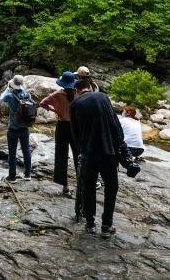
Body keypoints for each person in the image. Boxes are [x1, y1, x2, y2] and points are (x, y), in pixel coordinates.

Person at [70, 79, 125, 237]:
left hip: (88, 153)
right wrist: (120, 146)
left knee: (88, 186)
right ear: (89, 88)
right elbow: (115, 123)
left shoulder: (74, 105)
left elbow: (75, 134)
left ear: (77, 90)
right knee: (111, 187)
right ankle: (106, 225)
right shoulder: (103, 97)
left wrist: (80, 151)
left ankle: (90, 223)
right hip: (108, 151)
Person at [40, 71, 79, 196]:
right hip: (76, 127)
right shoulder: (77, 94)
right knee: (78, 155)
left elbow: (42, 103)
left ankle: (65, 186)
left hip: (62, 126)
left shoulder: (57, 94)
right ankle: (81, 182)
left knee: (61, 155)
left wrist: (53, 109)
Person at [0, 74, 35, 182]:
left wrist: (7, 88)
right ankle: (28, 174)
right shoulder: (27, 94)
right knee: (26, 151)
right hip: (25, 127)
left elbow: (1, 98)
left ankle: (12, 177)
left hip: (13, 128)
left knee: (12, 153)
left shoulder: (10, 95)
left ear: (13, 84)